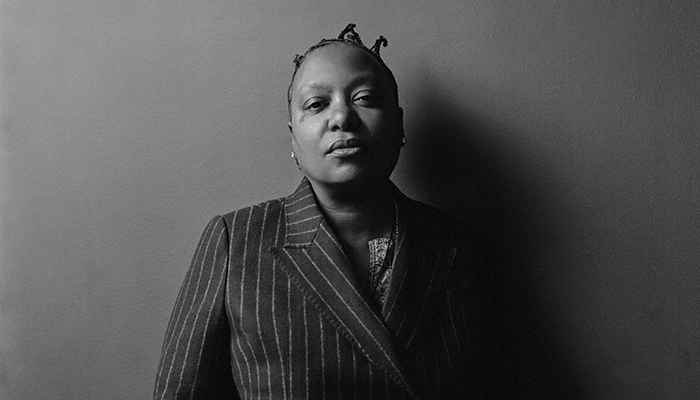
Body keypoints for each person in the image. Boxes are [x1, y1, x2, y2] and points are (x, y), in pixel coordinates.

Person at [154, 24, 476, 399]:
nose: (342, 117)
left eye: (365, 98)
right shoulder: (236, 242)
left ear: (400, 125)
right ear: (293, 137)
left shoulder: (455, 244)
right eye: (317, 104)